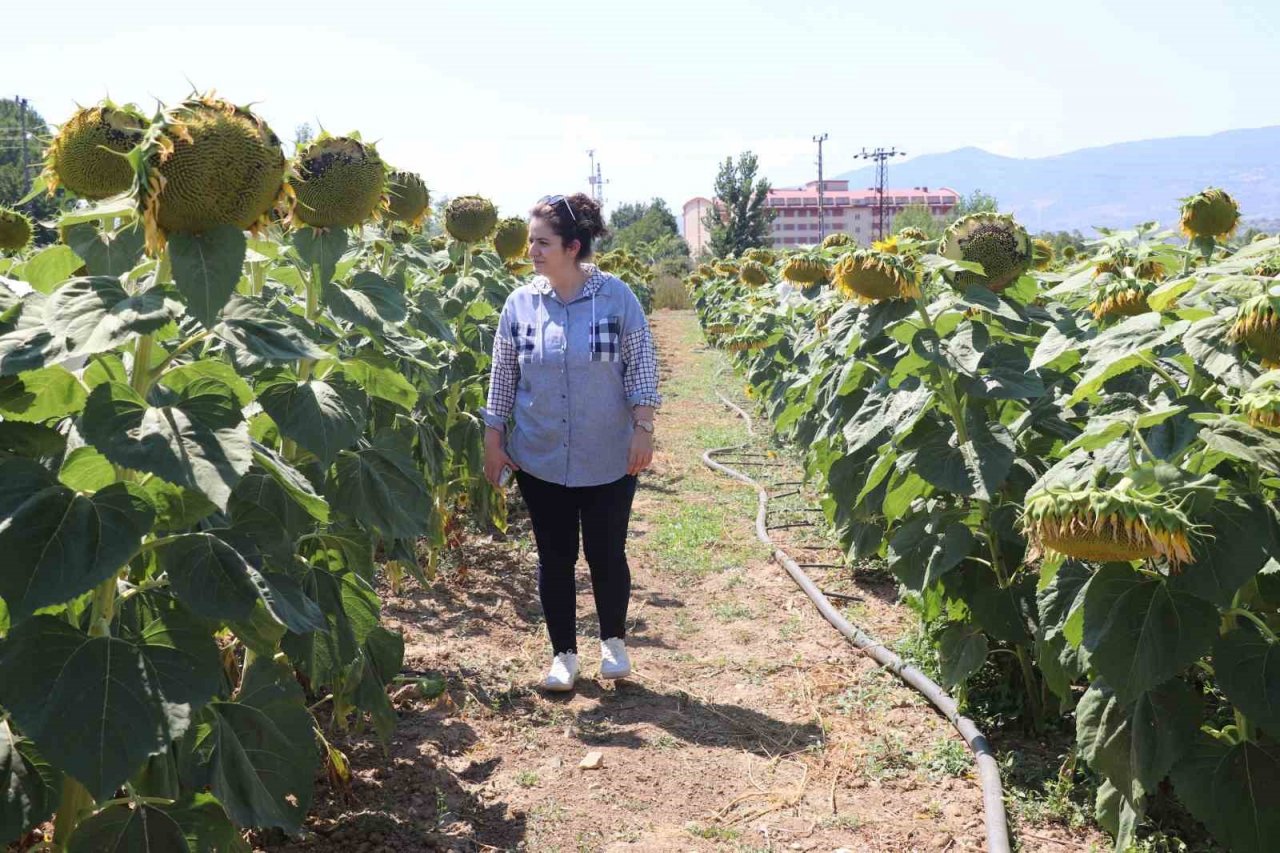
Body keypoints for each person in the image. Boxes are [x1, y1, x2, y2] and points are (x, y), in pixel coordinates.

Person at [481, 192, 661, 692]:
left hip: (608, 453)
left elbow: (641, 366)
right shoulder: (520, 304)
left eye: (542, 242)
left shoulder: (616, 298)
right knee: (554, 558)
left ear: (572, 246)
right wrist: (493, 438)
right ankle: (563, 654)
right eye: (531, 242)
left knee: (607, 554)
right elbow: (504, 377)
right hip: (540, 456)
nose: (532, 251)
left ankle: (614, 643)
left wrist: (643, 428)